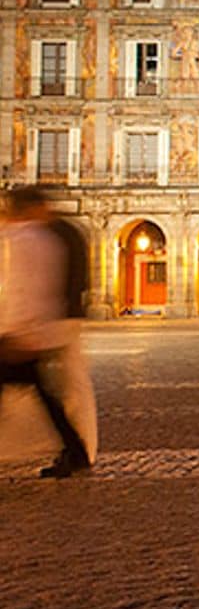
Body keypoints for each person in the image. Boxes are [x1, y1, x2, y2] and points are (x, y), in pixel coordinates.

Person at [0, 186, 93, 478]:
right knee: (46, 394)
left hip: (25, 333)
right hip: (36, 330)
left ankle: (76, 450)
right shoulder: (46, 236)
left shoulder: (26, 239)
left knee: (47, 394)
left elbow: (24, 288)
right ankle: (75, 450)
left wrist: (18, 329)